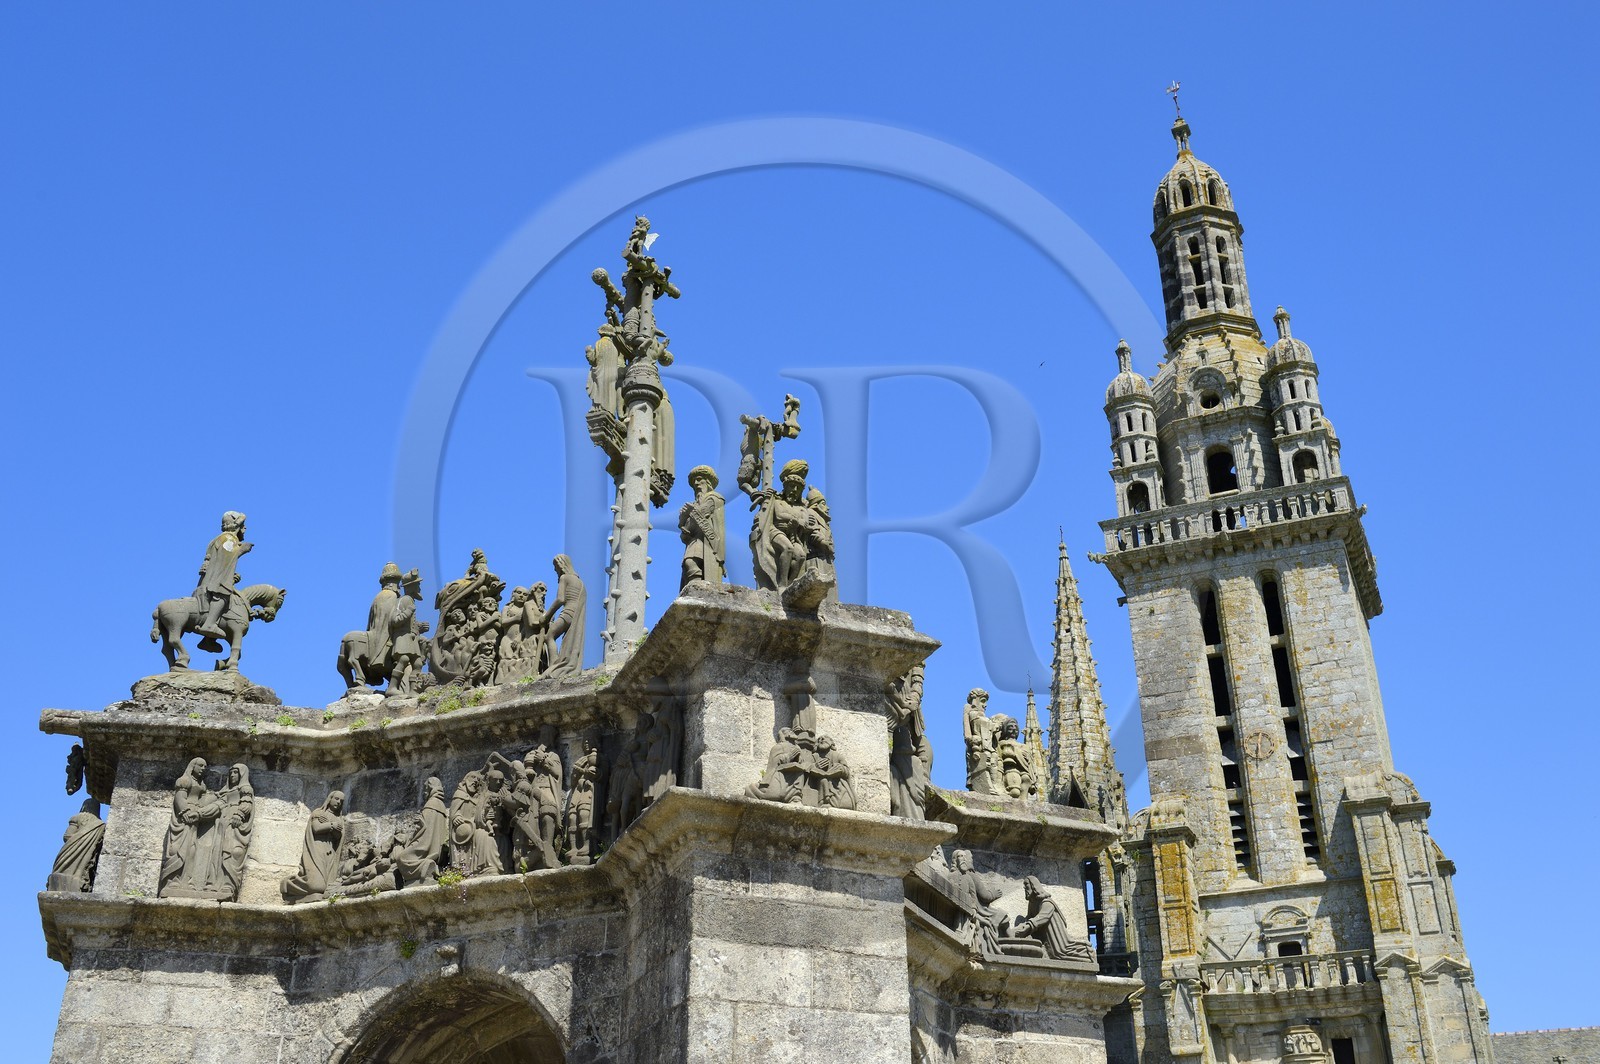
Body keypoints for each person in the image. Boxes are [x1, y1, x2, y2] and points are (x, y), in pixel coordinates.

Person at [159, 757, 223, 899]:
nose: (202, 769)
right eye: (200, 766)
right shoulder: (185, 781)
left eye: (204, 766)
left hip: (195, 818)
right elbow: (179, 798)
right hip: (185, 819)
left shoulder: (201, 784)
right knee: (179, 848)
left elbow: (203, 800)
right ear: (192, 766)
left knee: (192, 849)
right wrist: (185, 812)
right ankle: (173, 880)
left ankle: (186, 880)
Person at [194, 512, 251, 642]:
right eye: (243, 525)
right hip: (215, 582)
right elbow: (227, 557)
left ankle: (208, 641)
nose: (245, 528)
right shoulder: (229, 538)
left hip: (207, 580)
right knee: (224, 594)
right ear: (237, 525)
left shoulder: (217, 538)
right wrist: (242, 550)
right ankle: (209, 624)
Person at [281, 791, 345, 903]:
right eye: (336, 798)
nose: (338, 802)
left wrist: (334, 828)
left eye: (341, 801)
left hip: (329, 851)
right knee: (317, 886)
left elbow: (337, 836)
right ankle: (288, 884)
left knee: (326, 887)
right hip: (316, 849)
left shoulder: (338, 819)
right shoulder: (319, 812)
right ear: (330, 799)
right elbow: (316, 828)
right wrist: (331, 825)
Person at [678, 465, 727, 589]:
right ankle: (696, 589)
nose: (696, 483)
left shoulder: (714, 498)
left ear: (708, 481)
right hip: (695, 541)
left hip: (708, 542)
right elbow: (685, 535)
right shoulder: (694, 504)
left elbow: (702, 512)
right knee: (688, 563)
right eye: (694, 481)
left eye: (699, 479)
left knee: (691, 562)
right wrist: (683, 518)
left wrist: (690, 513)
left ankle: (698, 589)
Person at [394, 777, 448, 885]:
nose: (424, 791)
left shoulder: (431, 803)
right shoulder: (440, 805)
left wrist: (419, 823)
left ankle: (424, 865)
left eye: (426, 788)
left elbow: (426, 830)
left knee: (401, 858)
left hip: (425, 846)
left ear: (431, 787)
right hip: (436, 848)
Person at [544, 555, 587, 678]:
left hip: (568, 612)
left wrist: (546, 616)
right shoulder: (580, 582)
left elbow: (560, 599)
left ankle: (553, 666)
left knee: (549, 636)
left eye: (555, 567)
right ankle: (559, 663)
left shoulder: (564, 577)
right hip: (575, 614)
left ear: (561, 565)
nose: (555, 570)